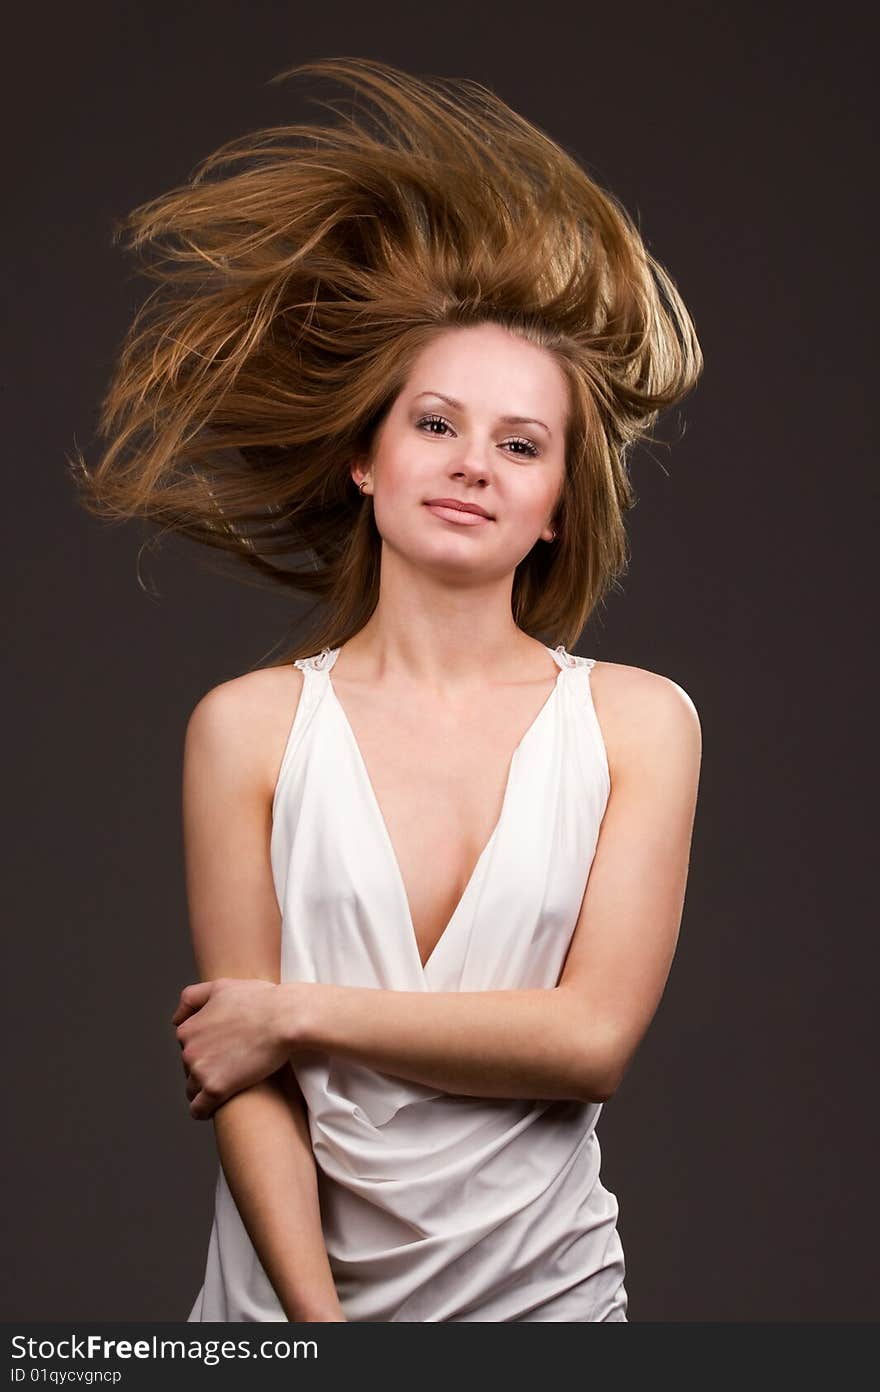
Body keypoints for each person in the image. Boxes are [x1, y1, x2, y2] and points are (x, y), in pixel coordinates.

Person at [71, 57, 704, 1322]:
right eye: (435, 424)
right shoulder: (246, 729)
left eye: (521, 445)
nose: (474, 465)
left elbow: (590, 1043)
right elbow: (238, 1076)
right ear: (365, 457)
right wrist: (320, 1336)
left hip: (551, 1301)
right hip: (288, 1315)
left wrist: (293, 1011)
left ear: (553, 506)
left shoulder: (641, 723)